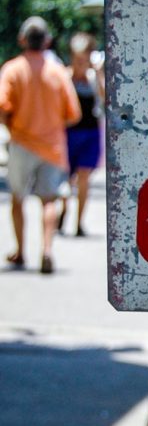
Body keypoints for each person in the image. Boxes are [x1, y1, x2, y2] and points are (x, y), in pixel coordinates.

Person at [0, 16, 80, 273]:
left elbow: (3, 105)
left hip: (22, 143)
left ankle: (21, 252)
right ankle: (46, 250)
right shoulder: (57, 71)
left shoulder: (12, 69)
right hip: (52, 146)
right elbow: (73, 114)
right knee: (49, 200)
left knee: (18, 199)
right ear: (47, 40)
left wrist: (13, 125)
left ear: (22, 39)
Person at [60, 32, 104, 237]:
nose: (81, 64)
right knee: (66, 179)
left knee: (84, 178)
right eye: (78, 60)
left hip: (90, 132)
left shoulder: (93, 79)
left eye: (84, 60)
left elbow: (105, 100)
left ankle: (78, 223)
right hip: (68, 134)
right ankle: (62, 212)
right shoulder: (64, 77)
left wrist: (99, 74)